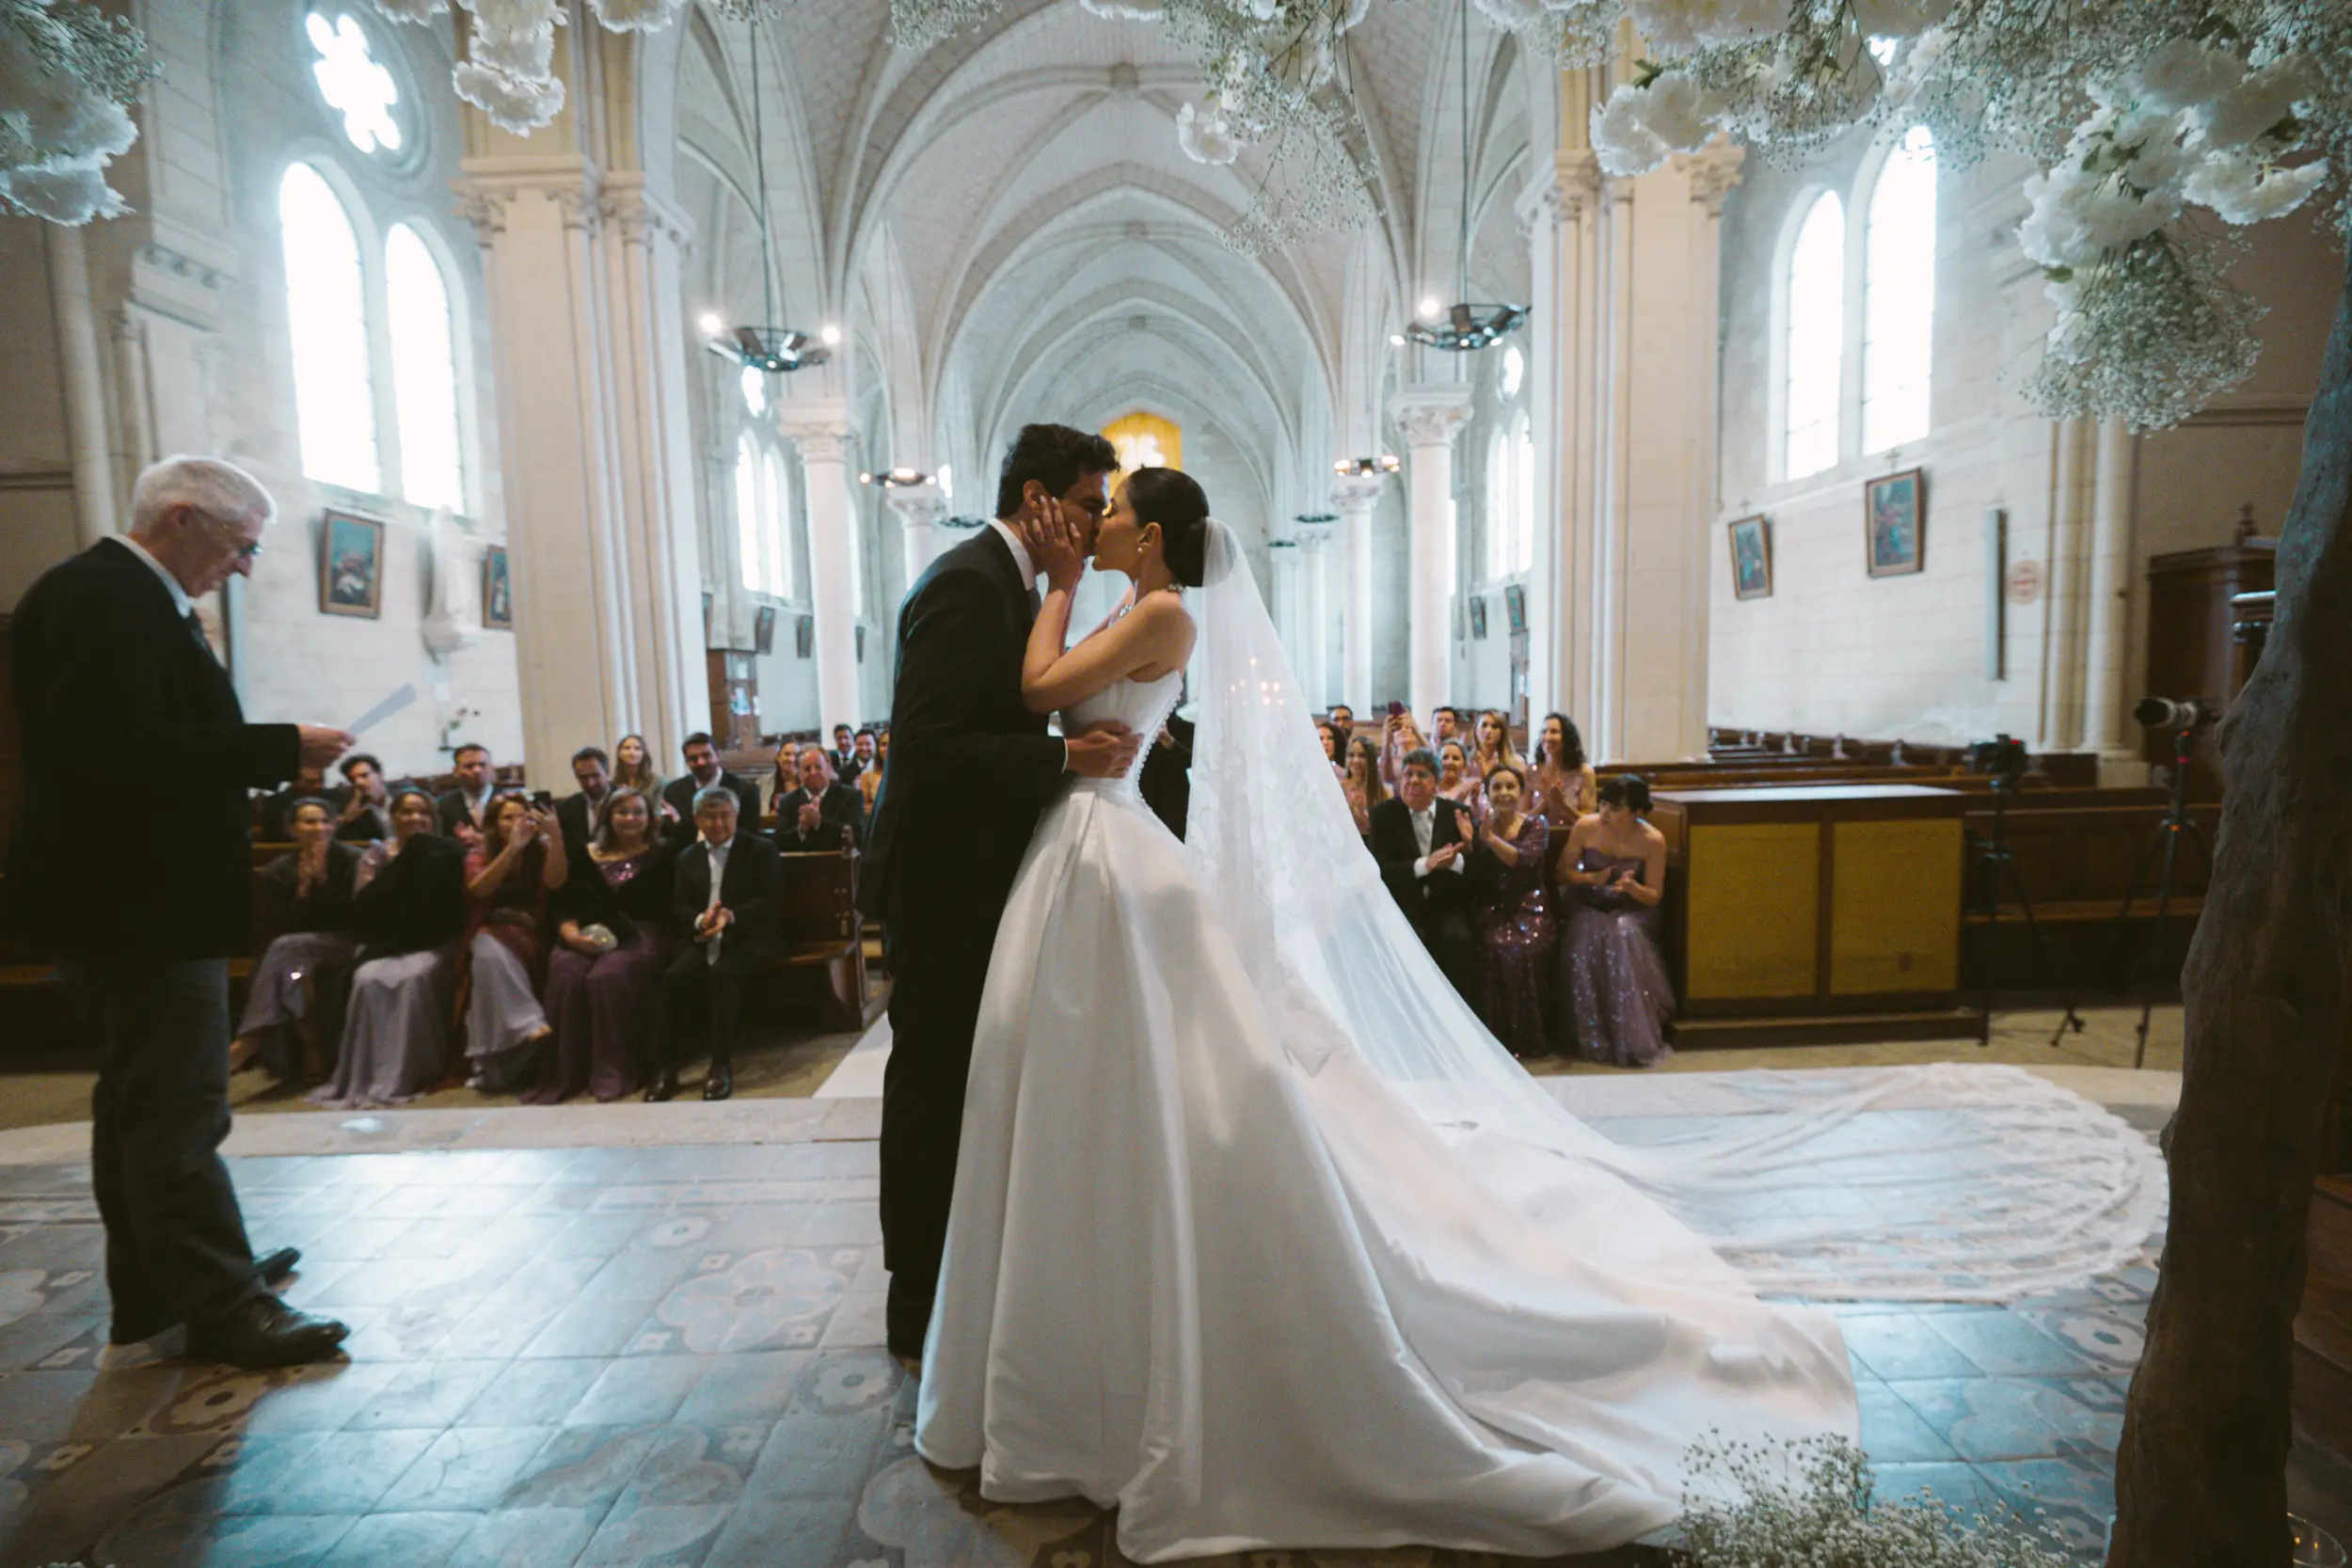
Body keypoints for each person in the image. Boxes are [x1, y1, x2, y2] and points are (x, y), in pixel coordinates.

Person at [919, 480, 2027, 1565]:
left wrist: (1058, 580)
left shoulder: (1159, 610)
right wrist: (1072, 595)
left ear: (1149, 534)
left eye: (1109, 511)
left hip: (1110, 852)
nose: (1093, 519)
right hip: (1084, 851)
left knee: (1184, 1095)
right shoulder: (1134, 604)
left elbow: (1036, 690)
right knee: (1108, 1098)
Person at [3, 454, 351, 1366]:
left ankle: (155, 1291)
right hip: (137, 907)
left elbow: (143, 740)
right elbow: (125, 754)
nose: (244, 565)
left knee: (138, 1108)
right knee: (178, 1114)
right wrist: (278, 745)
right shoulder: (104, 601)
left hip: (131, 902)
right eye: (241, 545)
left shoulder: (113, 597)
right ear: (184, 517)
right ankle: (224, 1303)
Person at [860, 421, 1142, 1360]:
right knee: (934, 1079)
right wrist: (1064, 755)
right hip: (940, 882)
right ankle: (915, 1300)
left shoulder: (1011, 584)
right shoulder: (966, 583)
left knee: (968, 1080)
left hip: (978, 873)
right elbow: (929, 744)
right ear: (1039, 500)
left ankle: (961, 1279)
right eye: (1091, 504)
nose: (1098, 524)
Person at [315, 788, 467, 1108]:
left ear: (432, 817)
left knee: (412, 979)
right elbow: (365, 908)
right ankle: (370, 1073)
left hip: (435, 942)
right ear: (394, 818)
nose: (415, 818)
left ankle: (414, 1069)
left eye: (421, 811)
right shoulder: (378, 856)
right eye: (407, 812)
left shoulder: (447, 852)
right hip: (385, 942)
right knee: (367, 979)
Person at [531, 786, 674, 1104]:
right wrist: (570, 936)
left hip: (643, 933)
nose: (630, 818)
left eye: (638, 811)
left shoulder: (664, 853)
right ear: (608, 816)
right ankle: (567, 1072)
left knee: (605, 976)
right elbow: (563, 901)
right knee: (566, 970)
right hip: (584, 930)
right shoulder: (586, 854)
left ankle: (614, 1069)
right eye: (621, 812)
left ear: (650, 817)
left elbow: (669, 909)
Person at [646, 787, 781, 1103]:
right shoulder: (687, 857)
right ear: (697, 819)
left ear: (736, 817)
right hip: (702, 937)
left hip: (748, 936)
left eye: (725, 816)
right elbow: (678, 904)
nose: (719, 824)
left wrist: (731, 917)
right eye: (711, 816)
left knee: (723, 975)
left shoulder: (760, 849)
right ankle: (666, 1067)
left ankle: (720, 1065)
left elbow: (768, 900)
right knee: (673, 977)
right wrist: (699, 922)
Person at [232, 798, 362, 1084]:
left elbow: (355, 918)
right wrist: (303, 889)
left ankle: (250, 1038)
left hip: (344, 943)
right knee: (292, 974)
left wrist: (324, 881)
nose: (318, 828)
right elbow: (282, 925)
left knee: (284, 951)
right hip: (298, 954)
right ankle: (311, 1051)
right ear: (293, 829)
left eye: (324, 821)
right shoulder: (279, 870)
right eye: (309, 822)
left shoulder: (351, 860)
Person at [1555, 773, 1675, 1068]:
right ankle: (1590, 1034)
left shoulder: (1653, 840)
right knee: (1588, 933)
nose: (1605, 813)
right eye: (1603, 804)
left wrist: (1634, 889)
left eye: (1615, 809)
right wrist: (1590, 878)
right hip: (1588, 903)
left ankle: (1629, 1036)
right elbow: (1561, 873)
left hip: (1631, 911)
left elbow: (1655, 895)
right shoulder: (1586, 827)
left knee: (1622, 935)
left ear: (1637, 813)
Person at [461, 791, 565, 1090]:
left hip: (534, 932)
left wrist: (556, 837)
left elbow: (556, 882)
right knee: (485, 951)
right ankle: (528, 1025)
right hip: (490, 929)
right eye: (509, 817)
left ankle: (495, 1066)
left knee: (488, 957)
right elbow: (479, 890)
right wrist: (510, 850)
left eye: (524, 816)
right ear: (495, 825)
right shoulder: (481, 853)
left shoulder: (543, 849)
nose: (518, 822)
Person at [1367, 747, 1478, 997]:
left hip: (1446, 906)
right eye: (1408, 774)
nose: (1413, 780)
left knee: (1456, 941)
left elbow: (1479, 869)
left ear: (1436, 783)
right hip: (1402, 907)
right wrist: (1424, 865)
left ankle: (1456, 1016)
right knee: (1407, 942)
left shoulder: (1457, 814)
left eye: (1422, 775)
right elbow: (1379, 870)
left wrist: (1459, 860)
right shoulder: (1383, 816)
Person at [1468, 763, 1556, 1059]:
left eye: (1510, 787)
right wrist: (1471, 842)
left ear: (1521, 792)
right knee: (1493, 946)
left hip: (1528, 904)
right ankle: (1494, 1039)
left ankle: (1528, 1038)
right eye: (1497, 787)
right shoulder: (1478, 822)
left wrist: (1489, 840)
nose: (1504, 793)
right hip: (1491, 903)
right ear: (1487, 793)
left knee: (1524, 948)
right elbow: (1476, 871)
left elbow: (1521, 861)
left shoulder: (1536, 824)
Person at [660, 732, 758, 843]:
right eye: (693, 758)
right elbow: (672, 834)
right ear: (687, 762)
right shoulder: (674, 791)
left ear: (718, 755)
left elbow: (748, 833)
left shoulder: (744, 790)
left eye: (706, 755)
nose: (700, 762)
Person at [772, 746, 865, 853]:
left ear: (828, 767)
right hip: (800, 866)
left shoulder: (851, 796)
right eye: (807, 769)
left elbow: (855, 837)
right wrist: (801, 830)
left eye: (818, 767)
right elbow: (779, 842)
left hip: (838, 865)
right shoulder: (787, 802)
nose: (813, 773)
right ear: (799, 772)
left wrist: (819, 823)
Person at [1529, 712, 1597, 832]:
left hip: (1573, 836)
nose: (1548, 737)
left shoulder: (1584, 772)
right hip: (1536, 837)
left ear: (1567, 738)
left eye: (1554, 732)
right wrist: (1545, 803)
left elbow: (1590, 822)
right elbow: (1521, 819)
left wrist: (1562, 804)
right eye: (1544, 732)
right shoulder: (1531, 771)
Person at [257, 765, 337, 841]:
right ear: (294, 782)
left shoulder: (334, 797)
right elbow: (278, 833)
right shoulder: (275, 802)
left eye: (321, 781)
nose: (318, 786)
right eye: (310, 782)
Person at [435, 743, 496, 839]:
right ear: (456, 771)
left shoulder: (508, 801)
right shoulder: (444, 807)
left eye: (482, 765)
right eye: (469, 766)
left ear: (492, 768)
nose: (477, 770)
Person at [334, 752, 393, 842]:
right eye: (352, 779)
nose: (358, 782)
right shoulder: (352, 810)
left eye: (364, 776)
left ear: (380, 775)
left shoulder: (402, 796)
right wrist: (347, 820)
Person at [1339, 733, 1386, 839]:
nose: (1355, 761)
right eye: (1351, 755)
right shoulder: (1340, 789)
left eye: (1362, 756)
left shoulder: (1384, 792)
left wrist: (1361, 816)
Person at [1470, 707, 1521, 788]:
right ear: (1476, 730)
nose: (1488, 730)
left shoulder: (1516, 762)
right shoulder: (1467, 761)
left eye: (1494, 726)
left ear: (1502, 732)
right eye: (1484, 725)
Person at [1379, 707, 1427, 789]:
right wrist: (1386, 739)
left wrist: (1416, 730)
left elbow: (1436, 763)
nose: (1403, 730)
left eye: (1407, 727)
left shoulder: (1424, 757)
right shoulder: (1389, 760)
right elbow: (1387, 778)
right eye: (1398, 727)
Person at [1436, 738, 1482, 817]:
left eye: (1455, 758)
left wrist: (1475, 803)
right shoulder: (1429, 788)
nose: (1449, 762)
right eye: (1445, 757)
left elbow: (1480, 817)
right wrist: (1461, 796)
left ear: (1464, 765)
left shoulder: (1472, 787)